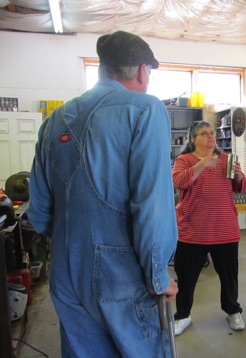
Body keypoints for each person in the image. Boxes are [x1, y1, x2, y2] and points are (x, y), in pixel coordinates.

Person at [28, 31, 178, 357]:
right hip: (120, 274)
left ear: (103, 68)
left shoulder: (54, 120)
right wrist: (158, 275)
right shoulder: (145, 110)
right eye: (148, 74)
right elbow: (152, 205)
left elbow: (39, 210)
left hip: (66, 275)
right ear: (142, 71)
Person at [172, 121, 246, 336]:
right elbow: (178, 182)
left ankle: (233, 311)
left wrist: (240, 175)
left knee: (229, 276)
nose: (210, 137)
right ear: (194, 139)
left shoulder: (227, 159)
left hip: (224, 229)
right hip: (192, 230)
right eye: (204, 134)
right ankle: (183, 316)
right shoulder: (184, 160)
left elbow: (239, 187)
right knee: (186, 278)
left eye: (212, 133)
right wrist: (202, 164)